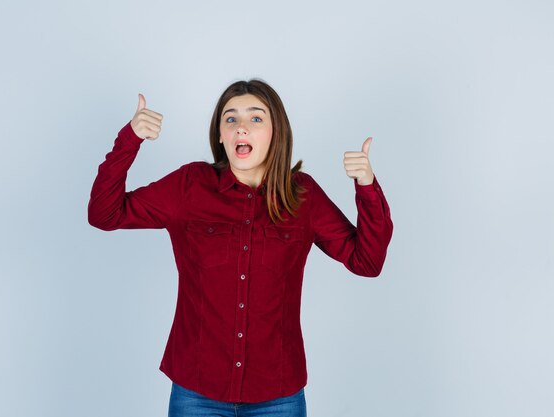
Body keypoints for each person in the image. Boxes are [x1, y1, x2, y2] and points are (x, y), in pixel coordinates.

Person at [88, 79, 393, 417]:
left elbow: (367, 261)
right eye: (230, 119)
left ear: (276, 133)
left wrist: (366, 186)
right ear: (220, 135)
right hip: (196, 392)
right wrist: (130, 140)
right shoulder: (190, 186)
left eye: (256, 118)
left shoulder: (302, 196)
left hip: (278, 397)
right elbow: (105, 213)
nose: (241, 127)